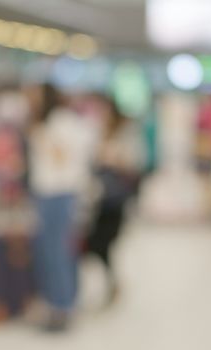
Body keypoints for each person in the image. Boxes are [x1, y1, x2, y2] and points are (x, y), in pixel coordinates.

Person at [28, 83, 94, 331]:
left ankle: (61, 306)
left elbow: (61, 155)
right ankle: (64, 302)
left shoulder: (57, 122)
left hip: (57, 193)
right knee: (59, 250)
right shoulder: (66, 121)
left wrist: (39, 137)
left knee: (55, 252)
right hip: (58, 193)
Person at [85, 95, 145, 306]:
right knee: (96, 245)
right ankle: (111, 283)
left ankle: (114, 283)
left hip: (116, 199)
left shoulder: (126, 133)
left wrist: (116, 158)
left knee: (105, 243)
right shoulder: (98, 133)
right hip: (99, 197)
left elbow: (135, 163)